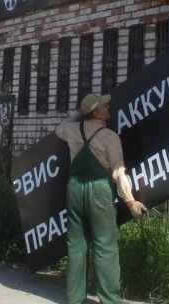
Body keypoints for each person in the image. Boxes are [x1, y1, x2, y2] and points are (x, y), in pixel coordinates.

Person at [56, 93, 147, 304]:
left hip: (75, 189)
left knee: (76, 245)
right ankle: (109, 299)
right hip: (99, 191)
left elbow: (59, 128)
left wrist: (76, 115)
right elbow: (118, 173)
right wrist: (131, 201)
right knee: (104, 244)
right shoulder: (109, 137)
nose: (108, 107)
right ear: (96, 113)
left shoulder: (71, 130)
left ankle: (74, 297)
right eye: (104, 106)